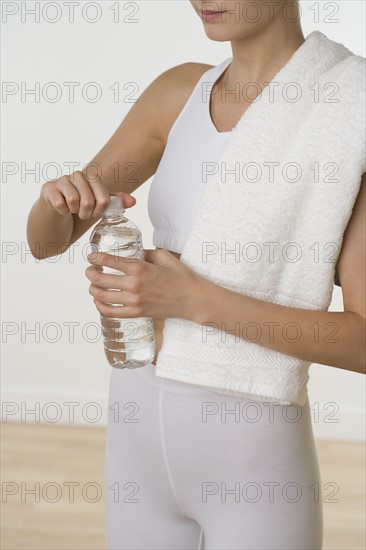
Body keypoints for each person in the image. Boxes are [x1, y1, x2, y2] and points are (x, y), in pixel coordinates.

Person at [27, 1, 365, 548]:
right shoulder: (177, 94)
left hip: (253, 459)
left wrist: (191, 301)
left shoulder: (350, 110)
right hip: (136, 424)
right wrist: (55, 200)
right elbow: (44, 241)